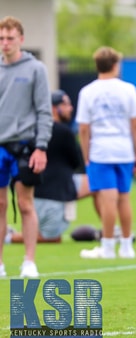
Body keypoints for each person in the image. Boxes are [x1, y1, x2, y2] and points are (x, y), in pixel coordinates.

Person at [77, 46, 136, 259]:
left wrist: (86, 154)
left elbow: (84, 128)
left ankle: (107, 246)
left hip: (101, 151)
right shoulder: (128, 89)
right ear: (115, 65)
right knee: (124, 198)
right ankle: (126, 246)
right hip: (124, 150)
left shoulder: (87, 92)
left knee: (107, 200)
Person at [0, 16, 52, 278]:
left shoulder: (36, 69)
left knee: (25, 204)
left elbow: (44, 111)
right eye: (1, 38)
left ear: (20, 39)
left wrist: (41, 147)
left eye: (10, 38)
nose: (5, 43)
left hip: (24, 145)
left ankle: (29, 261)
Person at [8, 90, 82, 244]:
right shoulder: (64, 132)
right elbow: (76, 162)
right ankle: (7, 237)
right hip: (52, 197)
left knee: (98, 185)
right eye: (66, 104)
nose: (71, 108)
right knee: (51, 238)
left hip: (31, 191)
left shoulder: (26, 129)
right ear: (54, 108)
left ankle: (106, 233)